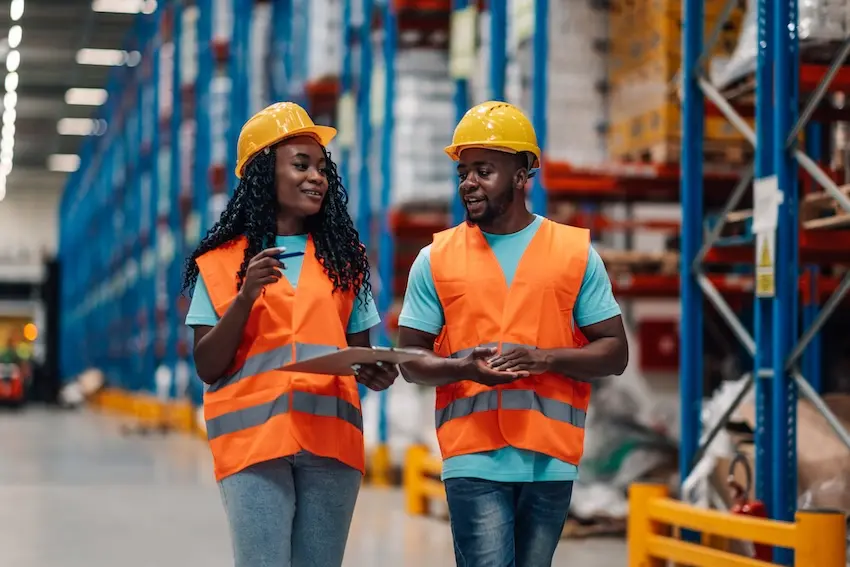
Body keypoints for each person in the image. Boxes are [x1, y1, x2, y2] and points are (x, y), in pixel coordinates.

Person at [397, 101, 629, 567]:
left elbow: (615, 351)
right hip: (472, 457)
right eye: (463, 171)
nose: (468, 183)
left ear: (523, 176)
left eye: (484, 171)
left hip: (550, 459)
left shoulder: (573, 253)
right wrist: (464, 368)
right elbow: (408, 358)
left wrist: (545, 359)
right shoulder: (436, 259)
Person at [181, 101, 398, 567]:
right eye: (301, 165)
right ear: (264, 174)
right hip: (252, 448)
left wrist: (375, 370)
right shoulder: (220, 264)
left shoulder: (345, 258)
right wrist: (245, 297)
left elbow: (358, 353)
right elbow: (207, 365)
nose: (316, 177)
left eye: (322, 167)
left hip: (331, 446)